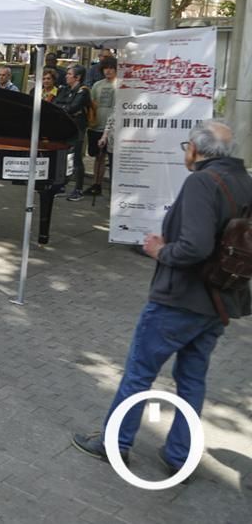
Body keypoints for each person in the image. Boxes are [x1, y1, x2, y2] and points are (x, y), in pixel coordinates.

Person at [72, 120, 251, 474]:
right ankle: (180, 455)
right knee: (192, 379)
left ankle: (116, 443)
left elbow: (194, 247)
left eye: (187, 145)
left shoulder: (202, 181)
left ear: (196, 150)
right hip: (219, 301)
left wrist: (160, 251)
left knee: (139, 372)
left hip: (181, 299)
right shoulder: (244, 181)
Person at [54, 65, 90, 201]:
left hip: (78, 129)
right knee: (64, 157)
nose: (66, 76)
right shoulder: (65, 89)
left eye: (69, 74)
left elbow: (73, 107)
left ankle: (78, 189)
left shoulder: (83, 91)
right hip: (66, 127)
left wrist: (64, 107)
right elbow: (57, 104)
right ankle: (62, 184)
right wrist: (65, 107)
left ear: (77, 77)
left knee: (76, 159)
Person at [87, 56, 118, 196]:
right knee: (98, 157)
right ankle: (96, 184)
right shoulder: (97, 85)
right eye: (106, 68)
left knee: (110, 158)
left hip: (113, 128)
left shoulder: (121, 85)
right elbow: (92, 105)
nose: (108, 71)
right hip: (97, 125)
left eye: (111, 68)